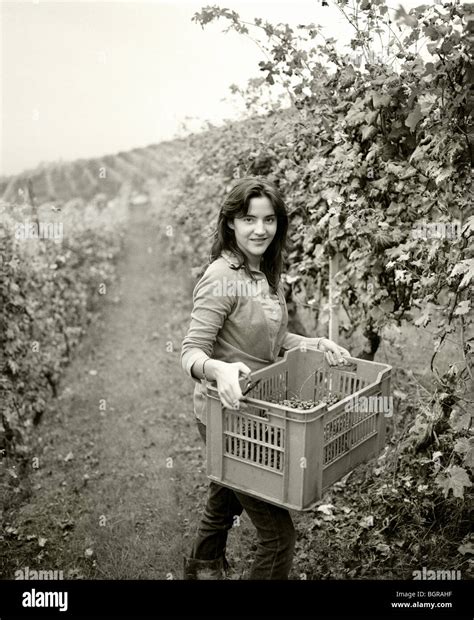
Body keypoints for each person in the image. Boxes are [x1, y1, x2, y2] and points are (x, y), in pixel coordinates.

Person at [180, 176, 350, 580]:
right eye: (249, 219)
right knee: (278, 537)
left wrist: (312, 343)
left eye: (269, 220)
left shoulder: (266, 273)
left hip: (259, 408)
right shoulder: (221, 277)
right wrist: (218, 368)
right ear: (231, 224)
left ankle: (202, 566)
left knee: (225, 497)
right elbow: (190, 353)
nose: (260, 229)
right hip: (229, 416)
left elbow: (274, 336)